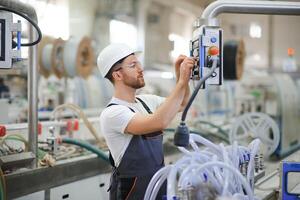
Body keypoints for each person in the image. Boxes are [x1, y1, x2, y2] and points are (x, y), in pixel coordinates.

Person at [97, 43, 194, 200]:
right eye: (133, 65)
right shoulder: (113, 113)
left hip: (157, 185)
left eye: (138, 63)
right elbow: (160, 121)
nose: (140, 69)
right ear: (117, 75)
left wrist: (181, 78)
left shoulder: (146, 101)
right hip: (133, 192)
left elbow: (182, 104)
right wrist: (182, 82)